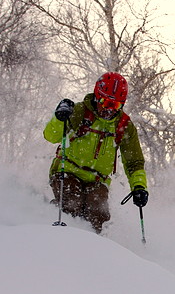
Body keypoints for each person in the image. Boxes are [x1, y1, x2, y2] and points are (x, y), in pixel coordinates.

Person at [43, 72, 148, 233]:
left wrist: (139, 187)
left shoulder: (124, 125)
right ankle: (49, 226)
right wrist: (59, 118)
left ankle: (91, 250)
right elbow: (51, 136)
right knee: (72, 204)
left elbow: (134, 162)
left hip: (97, 181)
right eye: (105, 102)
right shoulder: (79, 111)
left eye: (116, 106)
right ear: (97, 96)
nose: (109, 110)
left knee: (98, 216)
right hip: (68, 172)